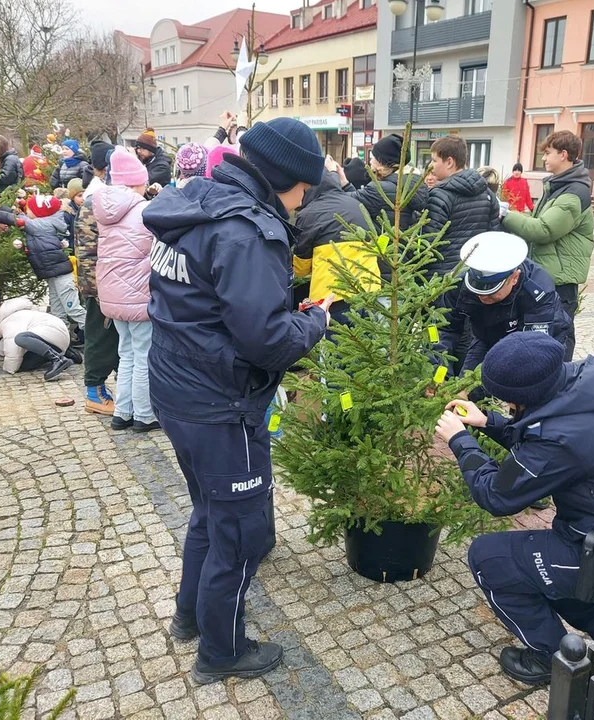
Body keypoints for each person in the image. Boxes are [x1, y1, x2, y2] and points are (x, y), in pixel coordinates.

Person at [142, 117, 333, 684]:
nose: (303, 205)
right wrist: (315, 322)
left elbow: (214, 307)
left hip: (177, 387)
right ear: (281, 179)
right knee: (244, 533)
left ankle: (189, 616)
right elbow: (268, 342)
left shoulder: (193, 201)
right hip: (223, 405)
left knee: (209, 511)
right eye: (303, 192)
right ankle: (221, 652)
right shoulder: (248, 230)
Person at [434, 332, 594, 686]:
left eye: (506, 399)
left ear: (524, 396)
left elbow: (497, 496)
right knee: (556, 574)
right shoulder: (581, 392)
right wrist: (488, 422)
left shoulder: (561, 437)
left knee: (490, 557)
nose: (504, 402)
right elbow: (544, 437)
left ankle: (552, 660)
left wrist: (459, 440)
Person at [502, 131, 594, 360]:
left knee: (558, 342)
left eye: (548, 153)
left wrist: (504, 215)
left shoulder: (574, 192)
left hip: (560, 284)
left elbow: (543, 230)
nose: (543, 158)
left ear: (564, 155)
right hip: (548, 277)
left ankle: (560, 388)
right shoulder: (557, 186)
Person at [437, 233, 573, 380]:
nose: (482, 297)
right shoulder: (458, 284)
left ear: (514, 278)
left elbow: (529, 353)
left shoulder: (537, 291)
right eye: (478, 291)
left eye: (491, 292)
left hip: (544, 343)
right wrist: (438, 377)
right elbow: (440, 329)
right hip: (484, 336)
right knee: (467, 386)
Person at [93, 149, 157, 433]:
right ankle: (144, 415)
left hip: (113, 293)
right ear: (135, 182)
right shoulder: (143, 210)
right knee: (143, 355)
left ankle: (122, 412)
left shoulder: (104, 210)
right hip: (138, 294)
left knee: (126, 353)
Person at [0, 195, 86, 334]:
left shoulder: (39, 225)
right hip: (53, 274)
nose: (27, 210)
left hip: (61, 276)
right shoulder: (45, 221)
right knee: (57, 310)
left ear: (40, 212)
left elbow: (17, 220)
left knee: (73, 309)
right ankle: (62, 340)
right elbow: (20, 215)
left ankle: (95, 337)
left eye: (30, 208)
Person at [293, 169, 372, 331]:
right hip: (369, 293)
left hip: (331, 300)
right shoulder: (357, 205)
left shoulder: (309, 214)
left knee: (333, 352)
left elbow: (299, 268)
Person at [75, 140, 120, 415]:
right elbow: (89, 249)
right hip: (100, 285)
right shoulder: (97, 202)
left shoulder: (104, 197)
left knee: (112, 339)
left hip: (111, 282)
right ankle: (94, 390)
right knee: (99, 338)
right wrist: (97, 288)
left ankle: (108, 386)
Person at [424, 135, 501, 278]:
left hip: (440, 281)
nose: (431, 166)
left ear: (449, 162)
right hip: (474, 274)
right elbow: (493, 235)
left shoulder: (440, 195)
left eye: (434, 160)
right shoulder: (488, 194)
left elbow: (427, 243)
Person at [336, 133, 428, 231]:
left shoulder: (380, 189)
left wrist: (332, 173)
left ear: (382, 162)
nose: (370, 161)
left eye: (373, 157)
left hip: (381, 245)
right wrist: (346, 184)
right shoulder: (410, 184)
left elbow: (345, 201)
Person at [0, 297, 76, 380]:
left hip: (52, 336)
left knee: (20, 338)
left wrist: (9, 369)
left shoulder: (8, 322)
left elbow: (12, 346)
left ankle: (58, 359)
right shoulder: (11, 316)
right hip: (57, 336)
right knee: (26, 364)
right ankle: (65, 352)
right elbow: (5, 344)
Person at [134, 128, 172, 193]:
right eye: (137, 148)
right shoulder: (146, 160)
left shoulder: (162, 166)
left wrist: (134, 161)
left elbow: (140, 181)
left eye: (142, 148)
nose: (138, 151)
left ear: (150, 149)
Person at [62, 178, 84, 250]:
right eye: (80, 196)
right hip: (74, 249)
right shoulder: (67, 213)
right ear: (72, 197)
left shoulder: (89, 209)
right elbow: (65, 234)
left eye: (85, 194)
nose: (83, 198)